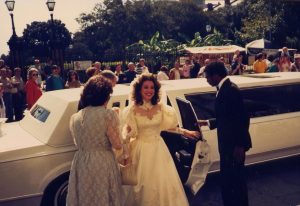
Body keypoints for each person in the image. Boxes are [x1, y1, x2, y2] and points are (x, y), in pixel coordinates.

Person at [122, 73, 200, 206]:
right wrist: (125, 149)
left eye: (152, 87)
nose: (149, 90)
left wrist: (186, 131)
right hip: (140, 152)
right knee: (143, 185)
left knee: (164, 183)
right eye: (146, 87)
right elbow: (127, 133)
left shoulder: (163, 108)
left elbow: (169, 127)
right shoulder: (131, 110)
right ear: (139, 89)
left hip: (159, 149)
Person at [198, 62, 252, 206]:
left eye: (207, 76)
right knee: (228, 180)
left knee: (236, 182)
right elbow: (226, 117)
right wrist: (208, 122)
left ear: (216, 75)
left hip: (234, 147)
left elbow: (242, 119)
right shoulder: (223, 88)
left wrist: (240, 146)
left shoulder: (231, 90)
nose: (206, 79)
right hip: (228, 146)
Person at [67, 75, 124, 206]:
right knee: (104, 196)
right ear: (106, 96)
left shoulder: (75, 117)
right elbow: (118, 144)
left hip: (81, 162)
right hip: (102, 161)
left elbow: (78, 142)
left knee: (86, 196)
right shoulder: (108, 115)